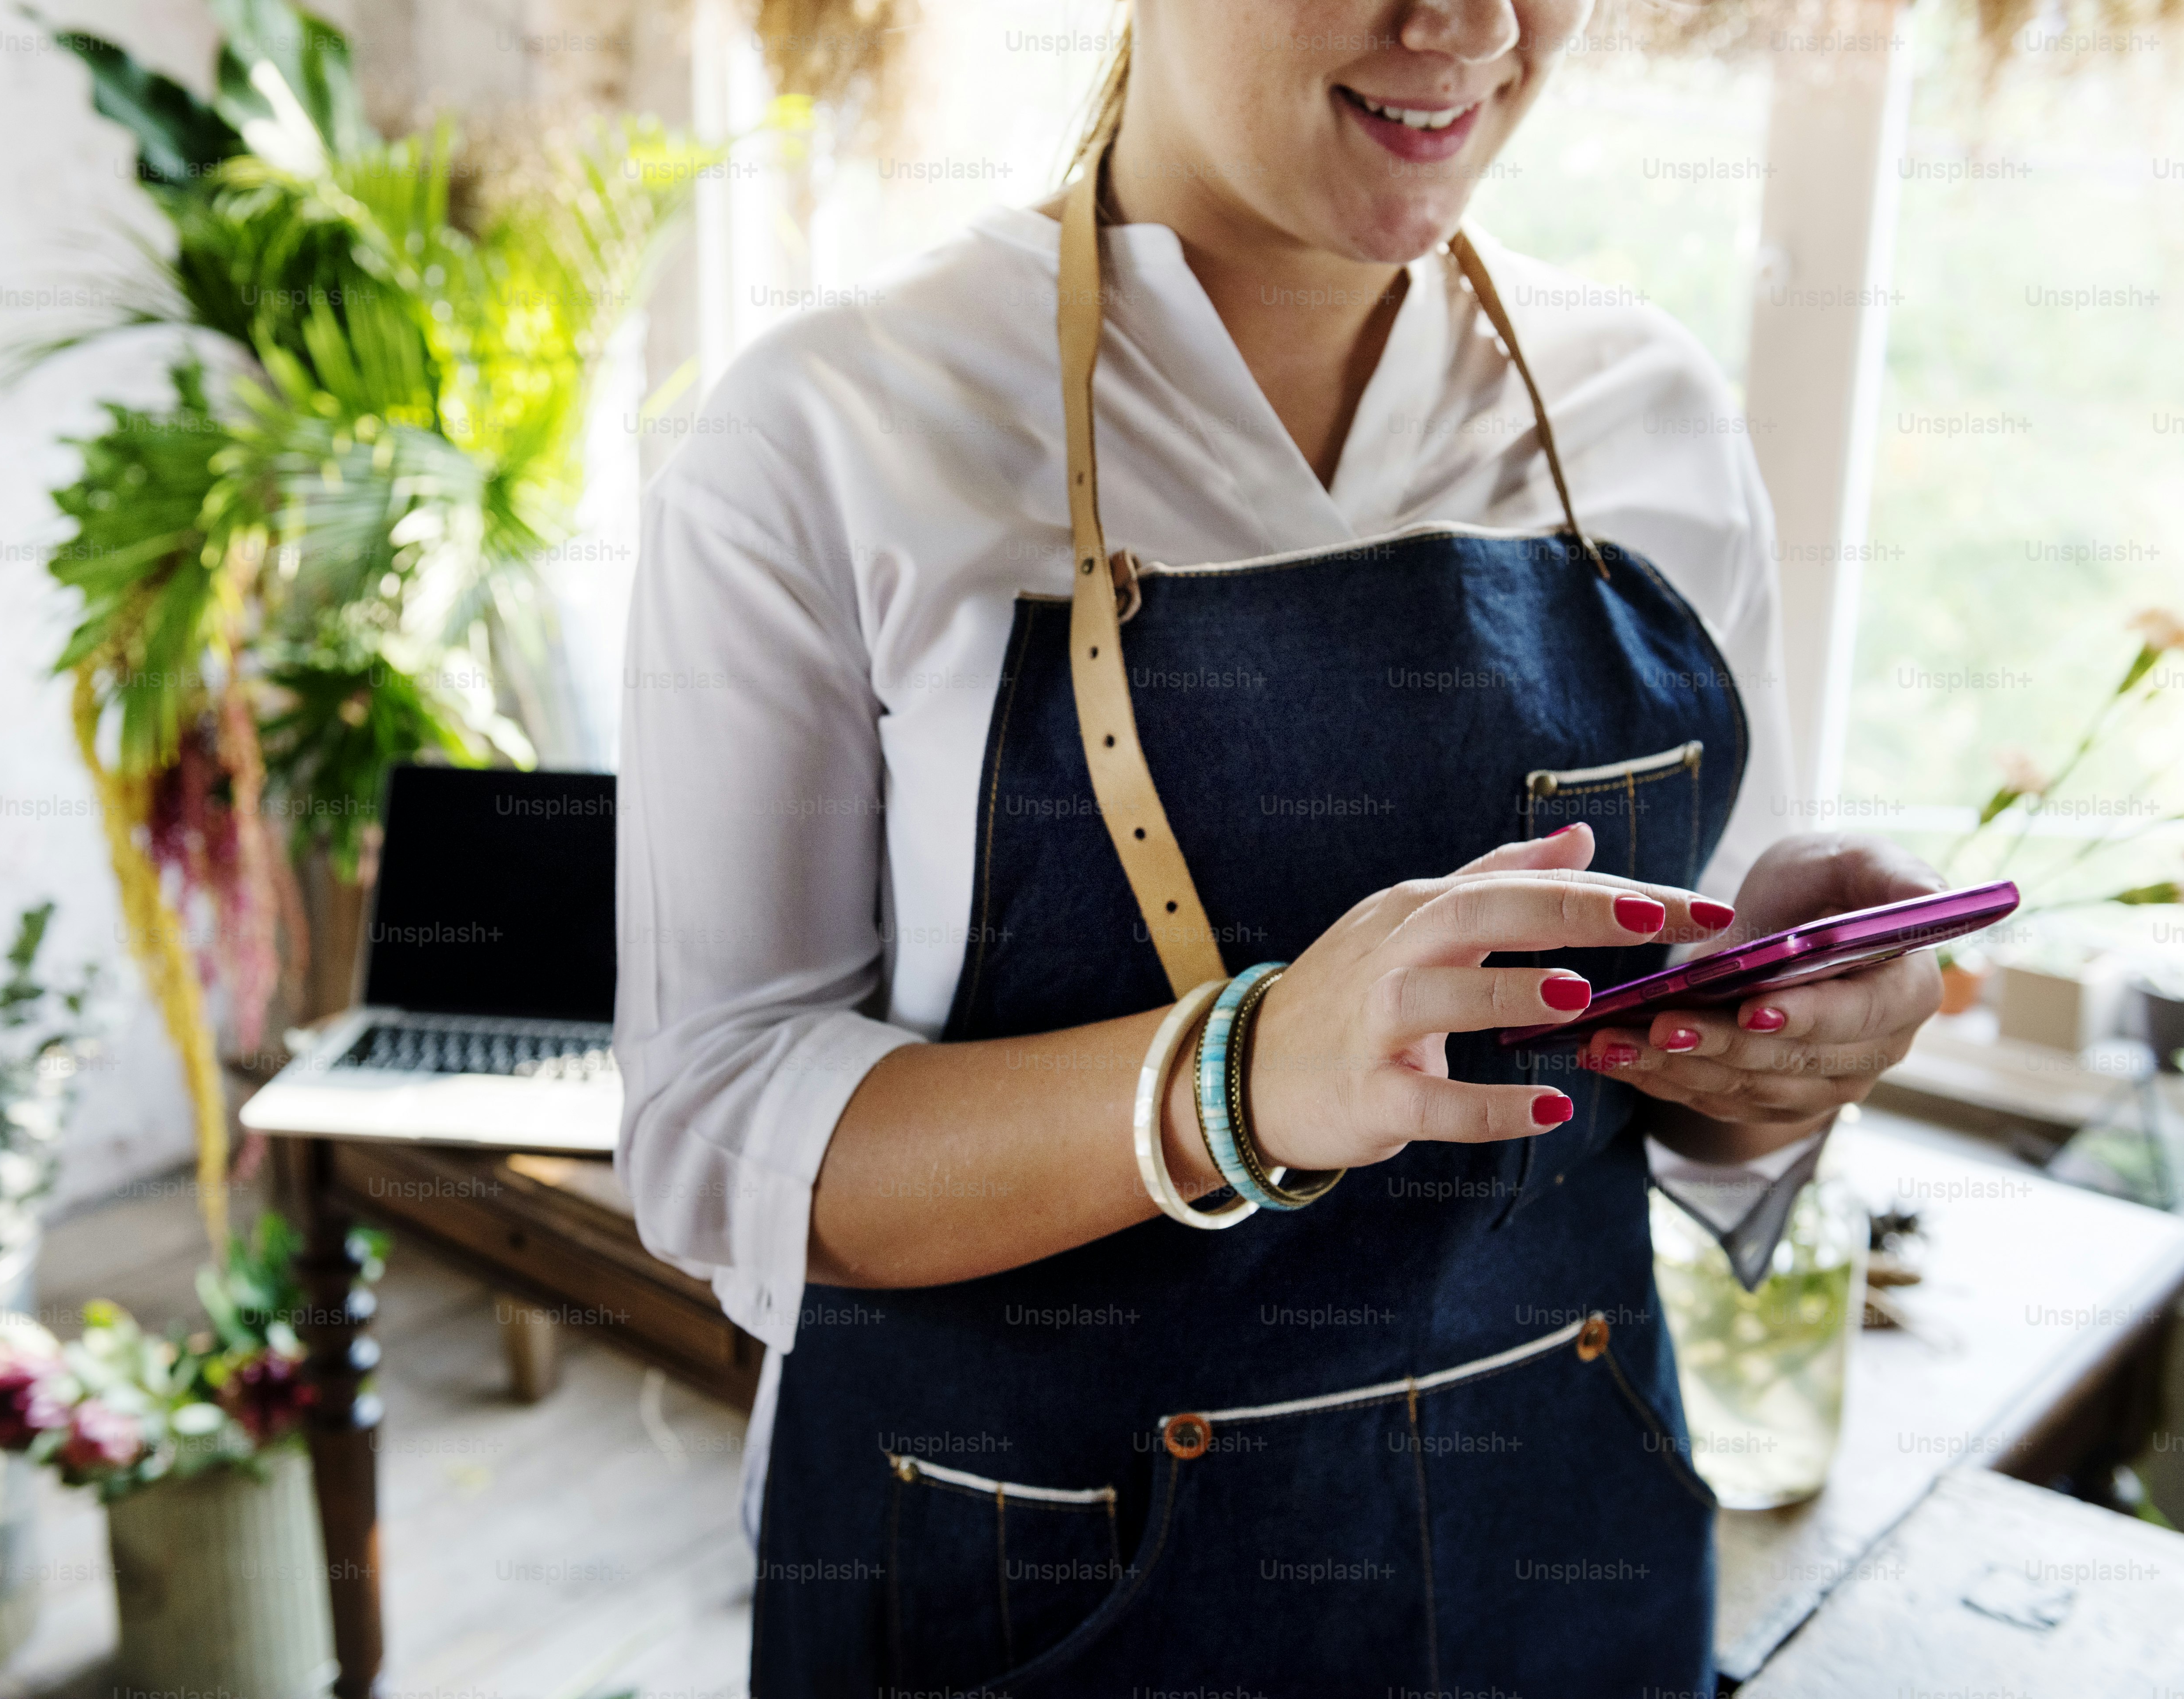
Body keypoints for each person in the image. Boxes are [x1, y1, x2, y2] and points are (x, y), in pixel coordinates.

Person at [616, 2, 1943, 1692]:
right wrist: (1235, 1081)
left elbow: (1681, 1098)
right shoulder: (827, 434)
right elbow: (718, 1125)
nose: (1471, 25)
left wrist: (1783, 1044)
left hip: (1562, 1567)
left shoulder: (1651, 413)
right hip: (1030, 1592)